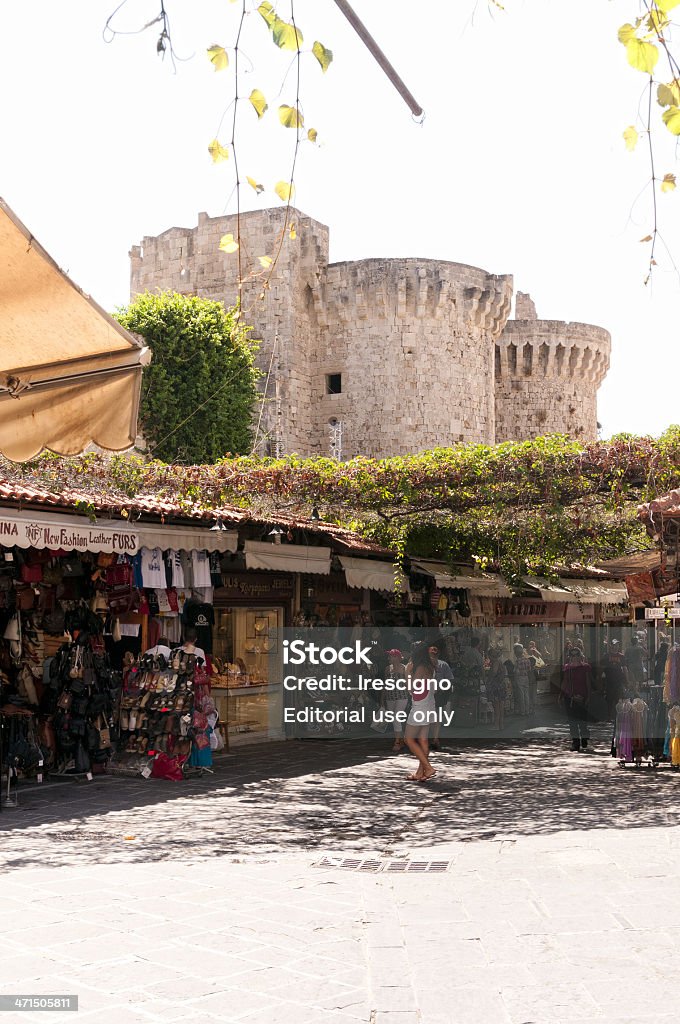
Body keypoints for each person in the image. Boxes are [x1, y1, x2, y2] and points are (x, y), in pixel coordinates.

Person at [404, 642, 437, 782]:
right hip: (429, 704)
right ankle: (420, 772)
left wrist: (407, 673)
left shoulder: (420, 668)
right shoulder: (431, 666)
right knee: (423, 739)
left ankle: (428, 767)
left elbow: (412, 689)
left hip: (419, 706)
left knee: (409, 739)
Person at [560, 647, 593, 751]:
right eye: (572, 655)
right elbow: (565, 681)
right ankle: (575, 742)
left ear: (580, 655)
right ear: (569, 656)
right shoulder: (567, 667)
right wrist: (561, 694)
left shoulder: (585, 667)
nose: (574, 657)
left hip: (582, 696)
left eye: (576, 655)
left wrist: (588, 697)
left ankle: (584, 736)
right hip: (570, 697)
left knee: (582, 720)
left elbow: (588, 682)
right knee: (572, 721)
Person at [428, 642, 454, 750]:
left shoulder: (443, 665)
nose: (432, 656)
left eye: (434, 655)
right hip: (428, 693)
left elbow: (449, 680)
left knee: (436, 716)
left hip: (438, 694)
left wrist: (442, 689)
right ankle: (433, 737)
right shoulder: (425, 665)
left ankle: (435, 738)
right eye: (431, 655)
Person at [385, 648, 409, 752]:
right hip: (390, 697)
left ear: (397, 657)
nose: (389, 658)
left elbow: (408, 683)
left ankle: (397, 742)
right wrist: (383, 699)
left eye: (391, 656)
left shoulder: (404, 668)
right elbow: (385, 685)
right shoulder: (387, 669)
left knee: (396, 717)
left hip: (401, 696)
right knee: (394, 719)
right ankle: (403, 740)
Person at [486, 644, 508, 731]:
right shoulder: (500, 662)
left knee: (496, 707)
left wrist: (489, 679)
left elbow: (494, 672)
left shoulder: (495, 662)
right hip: (501, 685)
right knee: (501, 706)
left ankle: (496, 725)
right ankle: (501, 724)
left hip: (496, 686)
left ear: (491, 656)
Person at [513, 643, 534, 716]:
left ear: (516, 653)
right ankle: (527, 710)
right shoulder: (527, 660)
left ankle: (522, 711)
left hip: (520, 678)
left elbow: (516, 672)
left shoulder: (517, 661)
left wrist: (515, 680)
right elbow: (529, 670)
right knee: (526, 694)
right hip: (526, 678)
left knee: (521, 695)